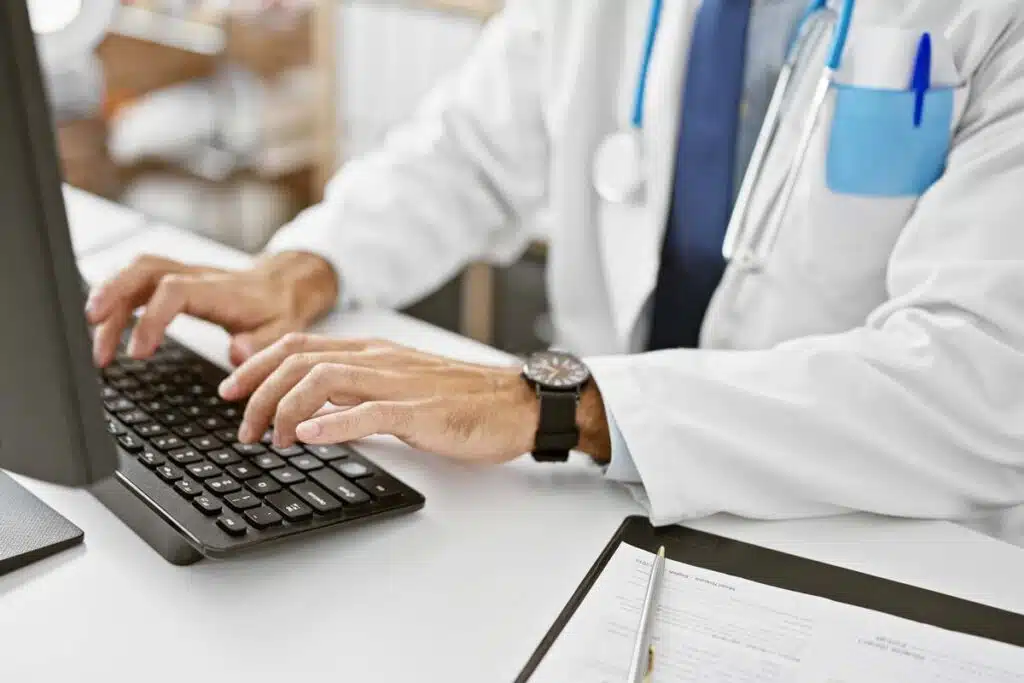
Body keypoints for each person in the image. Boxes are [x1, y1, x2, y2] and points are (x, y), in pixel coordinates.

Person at [87, 0, 1024, 542]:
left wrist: (558, 404)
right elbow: (469, 150)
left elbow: (984, 380)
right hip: (615, 499)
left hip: (879, 531)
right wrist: (302, 266)